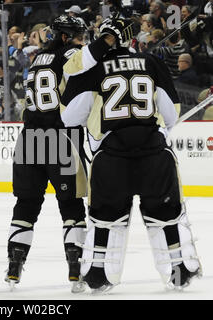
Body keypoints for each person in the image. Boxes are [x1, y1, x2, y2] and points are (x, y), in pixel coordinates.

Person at [61, 16, 202, 293]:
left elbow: (69, 117)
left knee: (105, 219)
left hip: (110, 156)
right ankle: (179, 271)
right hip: (153, 153)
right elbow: (172, 114)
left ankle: (98, 275)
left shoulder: (93, 67)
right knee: (166, 216)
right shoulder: (152, 63)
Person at [4, 14, 115, 293]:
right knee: (71, 206)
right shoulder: (71, 53)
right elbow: (89, 64)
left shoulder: (38, 58)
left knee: (25, 206)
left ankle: (14, 267)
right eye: (78, 37)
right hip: (60, 137)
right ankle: (76, 271)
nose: (82, 42)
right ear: (66, 37)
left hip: (29, 139)